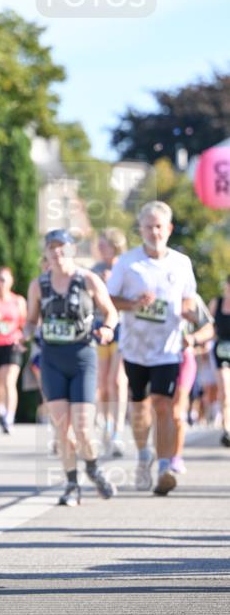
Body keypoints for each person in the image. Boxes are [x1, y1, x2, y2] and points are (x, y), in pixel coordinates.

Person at [107, 201, 196, 496]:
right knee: (139, 407)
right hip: (135, 348)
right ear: (141, 229)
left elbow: (188, 300)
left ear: (169, 229)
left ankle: (164, 467)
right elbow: (110, 300)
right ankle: (144, 454)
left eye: (159, 226)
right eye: (149, 227)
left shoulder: (181, 263)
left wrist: (189, 315)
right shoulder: (127, 262)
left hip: (168, 347)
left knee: (164, 405)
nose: (154, 232)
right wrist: (132, 304)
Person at [24, 229, 118, 506]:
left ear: (72, 249)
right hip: (52, 360)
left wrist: (109, 329)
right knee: (61, 428)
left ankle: (92, 467)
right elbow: (31, 320)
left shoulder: (88, 279)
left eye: (62, 247)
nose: (57, 252)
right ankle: (72, 484)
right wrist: (24, 333)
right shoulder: (38, 285)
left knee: (83, 428)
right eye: (51, 247)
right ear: (46, 252)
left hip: (82, 358)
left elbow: (110, 311)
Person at [92, 229, 129, 457]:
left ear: (115, 245)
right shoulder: (94, 270)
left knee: (118, 380)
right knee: (103, 383)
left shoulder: (124, 267)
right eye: (101, 244)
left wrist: (113, 286)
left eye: (105, 244)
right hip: (100, 327)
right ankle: (105, 424)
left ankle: (117, 430)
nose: (102, 248)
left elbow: (131, 296)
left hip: (123, 327)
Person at [169, 294, 215, 475]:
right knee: (161, 409)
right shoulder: (150, 287)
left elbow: (209, 328)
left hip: (183, 357)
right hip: (154, 358)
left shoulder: (191, 298)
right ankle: (160, 456)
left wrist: (193, 338)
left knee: (177, 410)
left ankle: (175, 457)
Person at [0, 267, 27, 434]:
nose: (1, 283)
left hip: (13, 344)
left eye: (4, 279)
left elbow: (25, 323)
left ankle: (9, 418)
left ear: (11, 281)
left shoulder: (18, 301)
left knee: (9, 381)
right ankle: (1, 411)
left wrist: (23, 340)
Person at [209, 275, 230, 447]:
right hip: (221, 352)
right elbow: (208, 327)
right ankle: (226, 428)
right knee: (225, 389)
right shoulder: (217, 302)